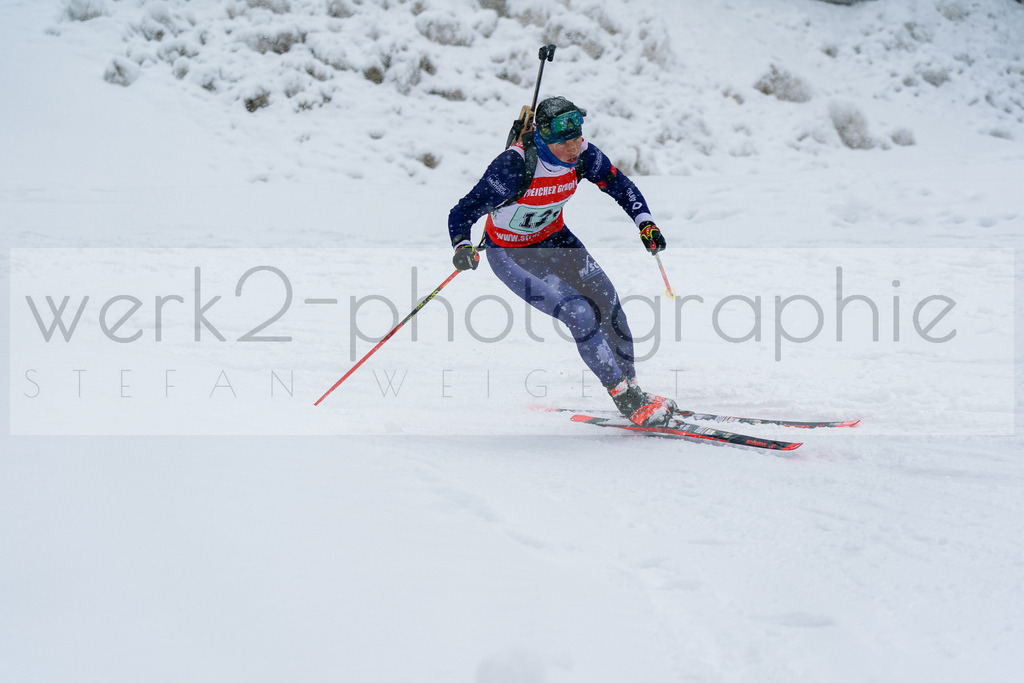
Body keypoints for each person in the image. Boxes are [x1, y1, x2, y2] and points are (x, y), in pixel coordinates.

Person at [447, 96, 677, 427]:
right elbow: (464, 210)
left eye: (577, 137)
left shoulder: (584, 156)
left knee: (608, 302)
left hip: (556, 241)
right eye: (564, 141)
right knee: (579, 313)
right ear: (543, 138)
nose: (573, 147)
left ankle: (634, 391)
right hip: (513, 255)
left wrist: (645, 222)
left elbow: (618, 184)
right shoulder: (513, 166)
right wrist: (463, 246)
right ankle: (625, 399)